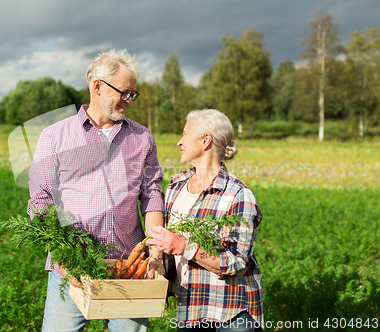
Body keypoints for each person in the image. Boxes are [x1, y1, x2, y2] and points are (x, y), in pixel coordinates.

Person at [27, 49, 164, 332]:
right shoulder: (54, 136)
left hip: (128, 268)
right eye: (123, 92)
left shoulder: (142, 137)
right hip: (71, 269)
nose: (128, 100)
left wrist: (155, 253)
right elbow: (40, 200)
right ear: (97, 86)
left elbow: (152, 195)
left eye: (132, 94)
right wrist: (65, 257)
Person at [145, 109, 263, 331]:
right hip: (190, 306)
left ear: (206, 140)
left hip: (230, 311)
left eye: (185, 135)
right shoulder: (175, 186)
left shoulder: (238, 194)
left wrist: (183, 245)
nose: (179, 142)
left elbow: (237, 262)